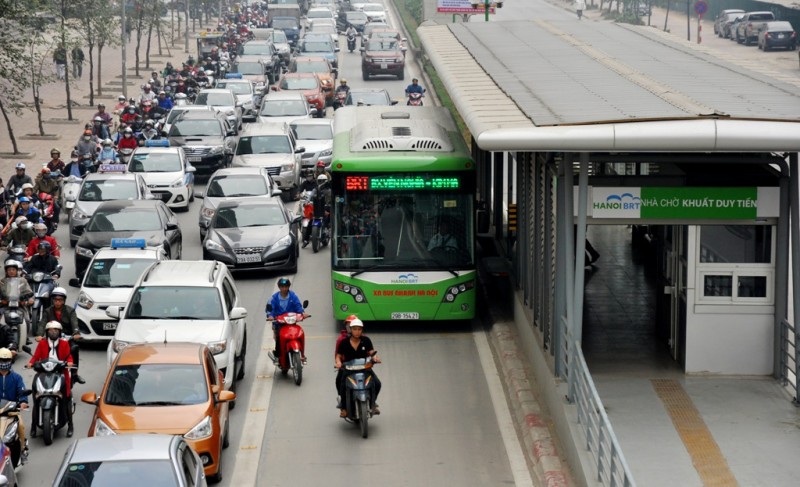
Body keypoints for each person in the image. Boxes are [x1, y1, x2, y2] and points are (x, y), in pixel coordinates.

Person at [25, 321, 75, 438]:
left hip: (60, 373)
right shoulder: (42, 343)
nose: (54, 332)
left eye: (56, 330)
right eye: (51, 330)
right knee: (37, 398)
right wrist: (30, 363)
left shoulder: (64, 343)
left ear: (60, 332)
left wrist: (70, 362)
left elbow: (69, 356)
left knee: (66, 398)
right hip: (43, 373)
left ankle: (70, 425)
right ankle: (33, 426)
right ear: (47, 332)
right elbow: (36, 357)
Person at [34, 287, 83, 384]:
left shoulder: (70, 311)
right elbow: (42, 324)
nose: (57, 302)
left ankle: (74, 373)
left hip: (67, 338)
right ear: (52, 300)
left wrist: (76, 333)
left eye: (60, 300)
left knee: (74, 348)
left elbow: (75, 324)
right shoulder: (48, 311)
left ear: (64, 300)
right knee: (43, 349)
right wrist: (39, 335)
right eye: (55, 300)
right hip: (51, 336)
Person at [334, 319, 381, 417]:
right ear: (351, 330)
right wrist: (338, 362)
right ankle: (344, 407)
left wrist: (375, 358)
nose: (357, 331)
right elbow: (338, 356)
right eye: (355, 329)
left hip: (364, 368)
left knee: (377, 383)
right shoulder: (344, 342)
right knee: (341, 384)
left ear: (362, 330)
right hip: (349, 369)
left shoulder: (366, 340)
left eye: (359, 329)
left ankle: (373, 404)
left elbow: (372, 352)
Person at [265, 278, 305, 362]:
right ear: (279, 287)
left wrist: (302, 313)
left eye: (286, 286)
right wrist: (271, 316)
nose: (284, 288)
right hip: (279, 323)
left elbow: (298, 306)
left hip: (292, 322)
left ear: (288, 287)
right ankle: (277, 355)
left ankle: (302, 355)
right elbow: (270, 309)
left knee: (300, 333)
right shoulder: (274, 298)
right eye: (282, 286)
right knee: (279, 337)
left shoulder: (293, 296)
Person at [0, 348, 29, 463]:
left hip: (12, 411)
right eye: (1, 360)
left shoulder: (17, 378)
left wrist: (23, 402)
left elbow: (21, 391)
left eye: (6, 360)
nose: (3, 363)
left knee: (21, 426)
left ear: (11, 361)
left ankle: (22, 450)